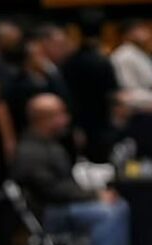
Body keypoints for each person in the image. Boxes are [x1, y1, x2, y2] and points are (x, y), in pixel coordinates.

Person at [11, 93, 130, 245]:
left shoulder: (51, 144)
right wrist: (93, 196)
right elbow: (51, 190)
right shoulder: (30, 151)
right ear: (43, 119)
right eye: (60, 114)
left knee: (117, 206)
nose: (66, 120)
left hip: (61, 205)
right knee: (107, 214)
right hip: (49, 213)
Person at [61, 10, 120, 162]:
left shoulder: (69, 62)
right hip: (102, 126)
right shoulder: (103, 62)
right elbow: (113, 95)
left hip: (77, 125)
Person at [2, 28, 73, 139]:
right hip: (31, 133)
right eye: (38, 55)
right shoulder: (20, 82)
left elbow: (63, 95)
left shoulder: (48, 76)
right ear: (28, 59)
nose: (42, 59)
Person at [111, 19, 152, 112]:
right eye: (139, 29)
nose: (145, 32)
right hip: (135, 105)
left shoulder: (140, 52)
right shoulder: (123, 55)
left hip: (148, 98)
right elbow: (126, 89)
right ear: (127, 34)